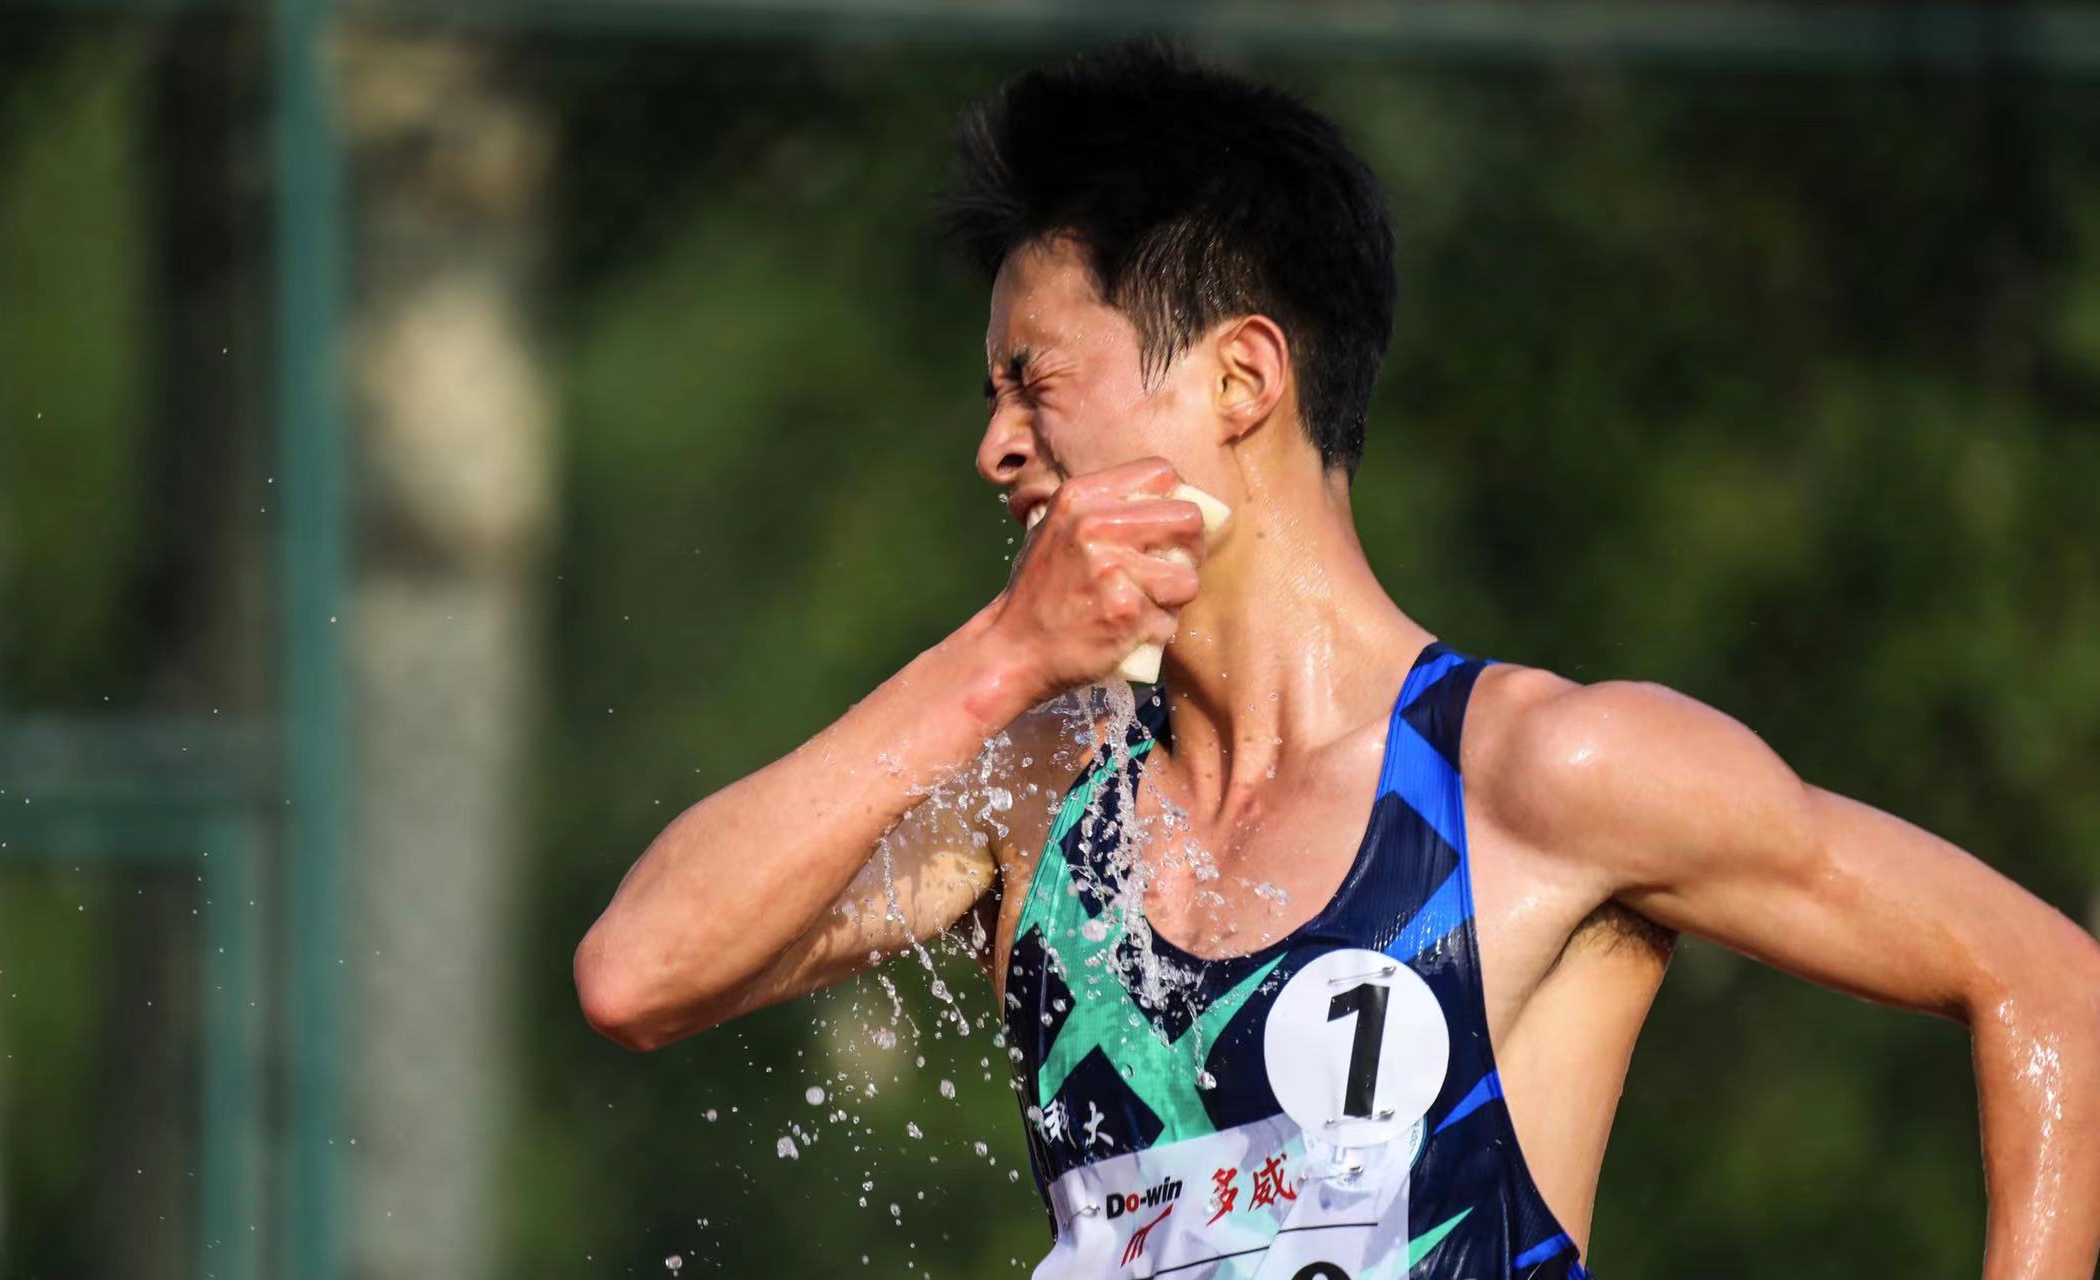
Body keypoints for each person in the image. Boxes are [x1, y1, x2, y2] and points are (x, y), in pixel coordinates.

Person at [573, 38, 2100, 1280]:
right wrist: (995, 663)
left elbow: (2047, 987)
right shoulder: (1035, 799)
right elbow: (640, 974)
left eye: (1033, 383)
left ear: (1241, 376)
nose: (995, 447)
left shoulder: (1537, 776)